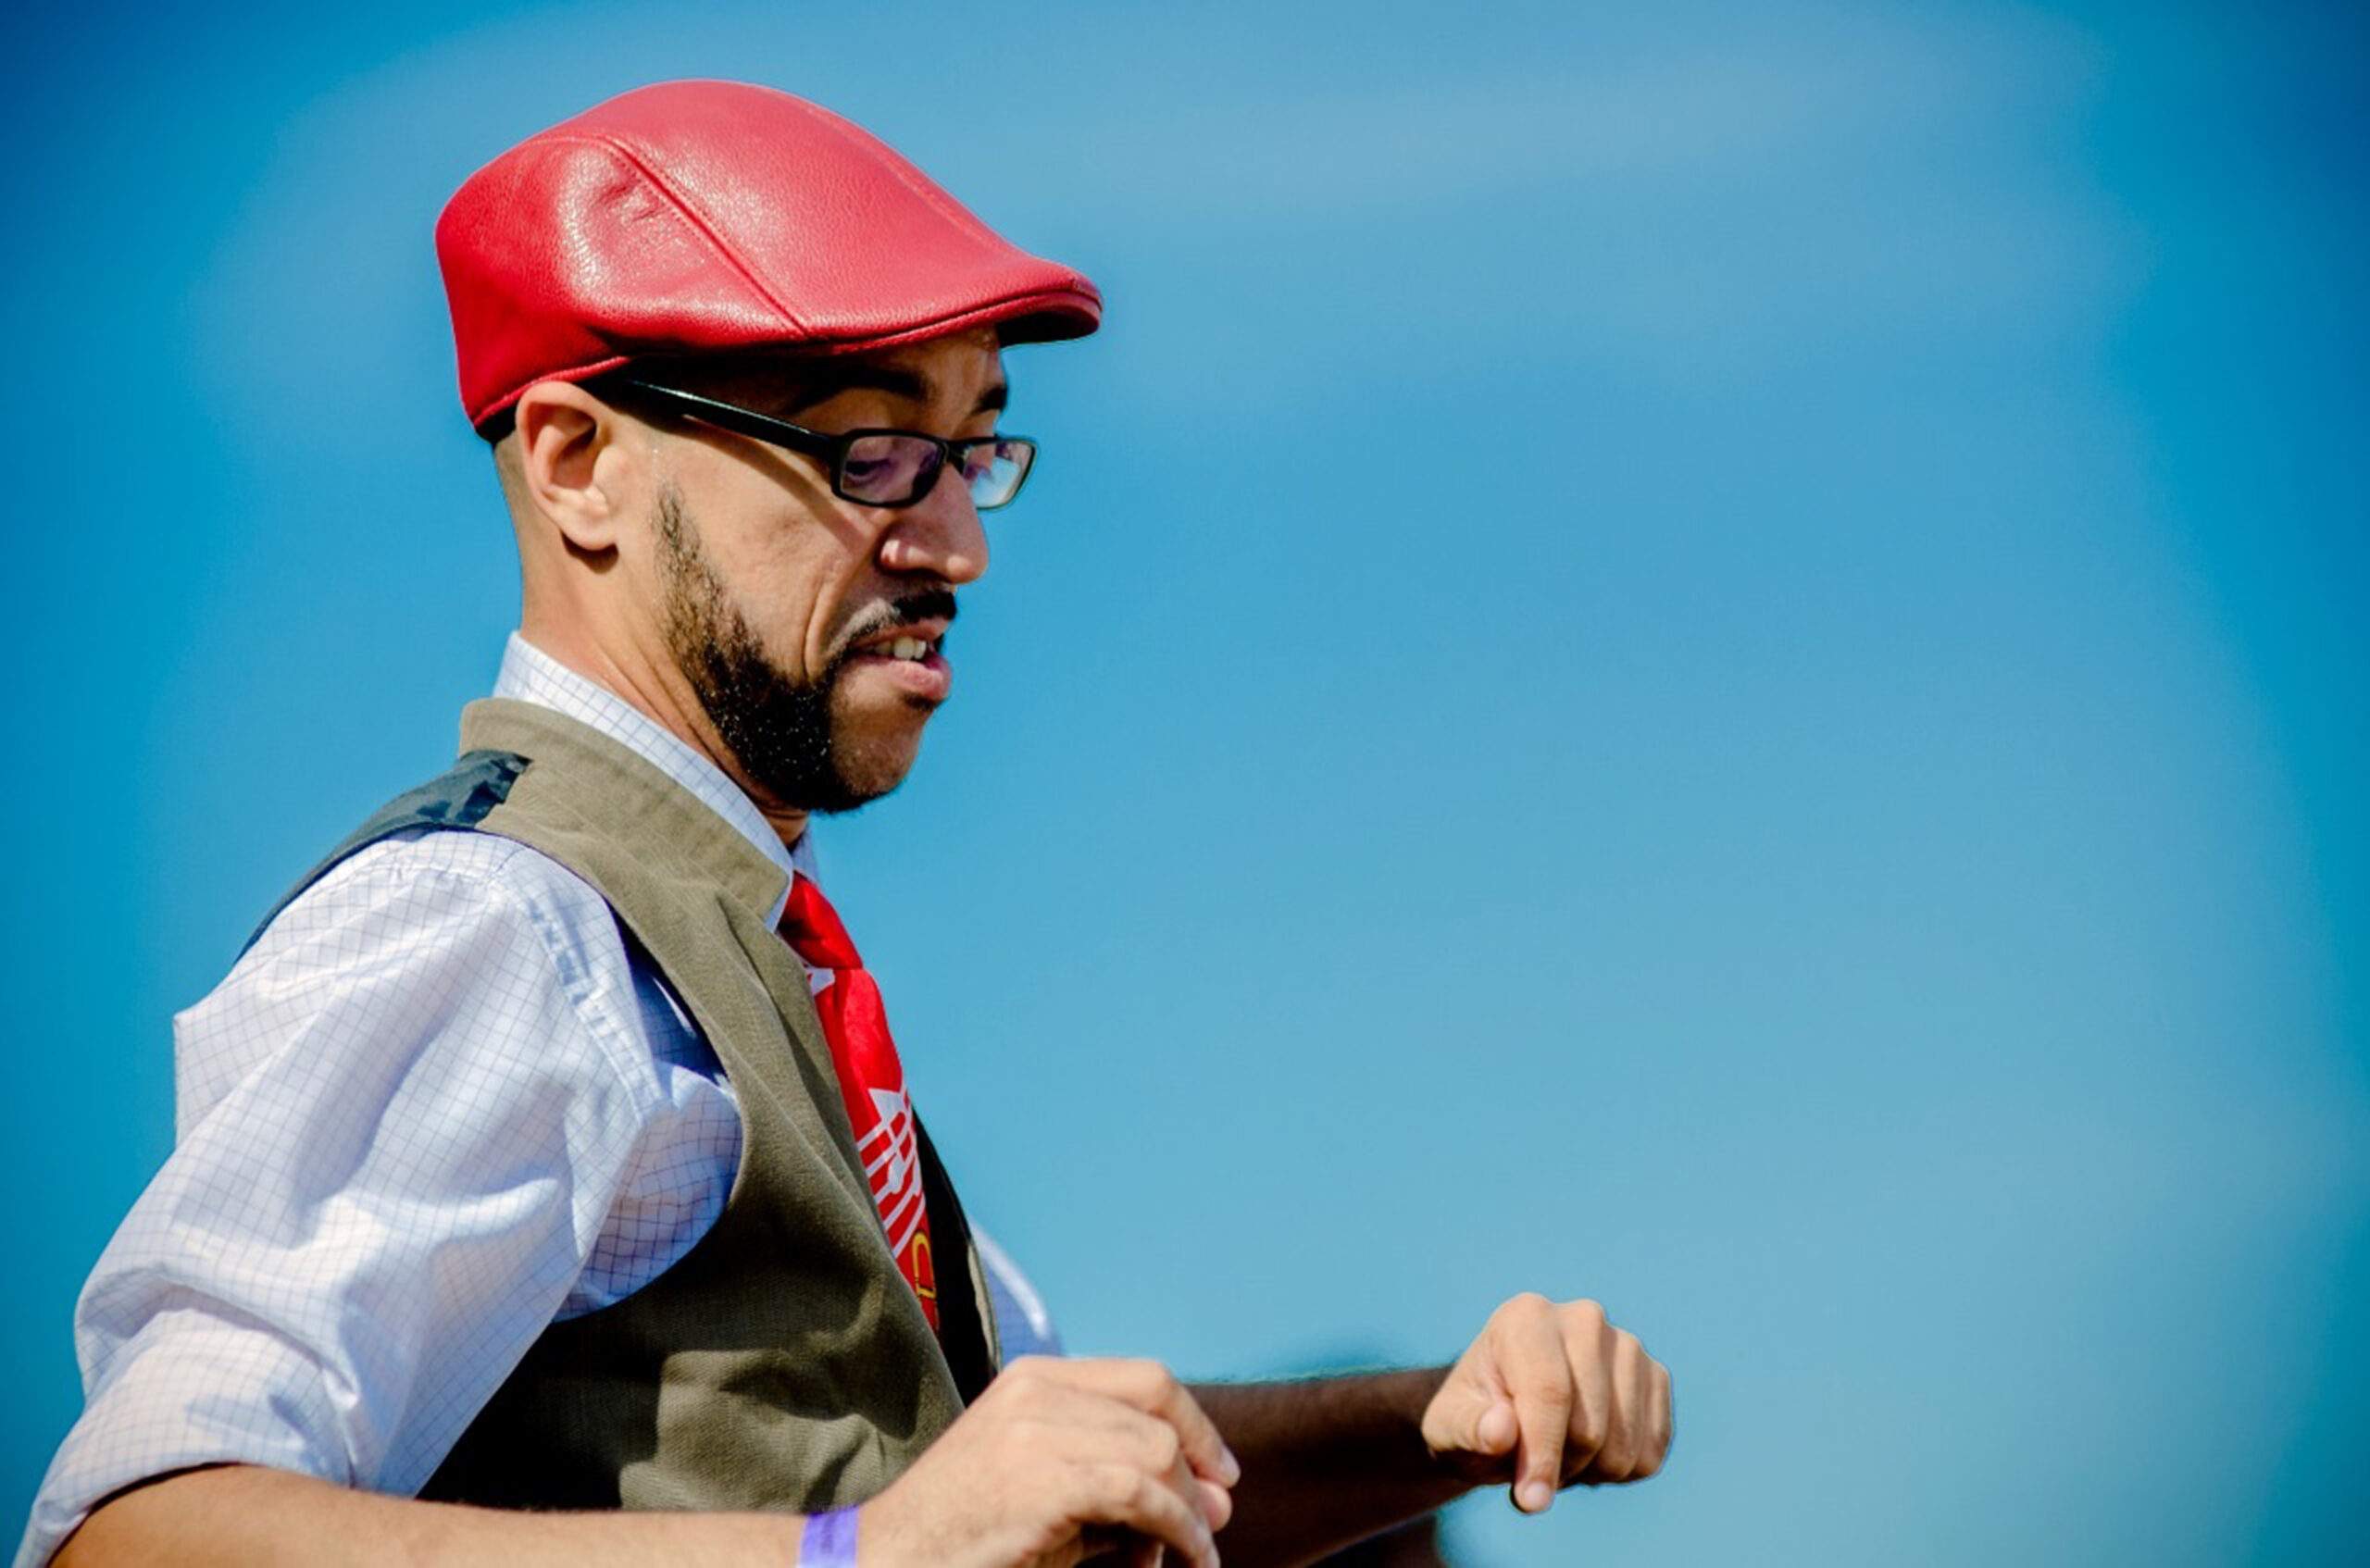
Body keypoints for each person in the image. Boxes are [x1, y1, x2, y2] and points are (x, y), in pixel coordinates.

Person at [19, 81, 1674, 1568]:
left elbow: (1051, 1481)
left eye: (973, 447)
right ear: (579, 461)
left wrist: (1435, 1425)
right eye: (871, 448)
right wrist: (856, 1553)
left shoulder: (746, 956)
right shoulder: (497, 922)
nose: (957, 543)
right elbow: (134, 1530)